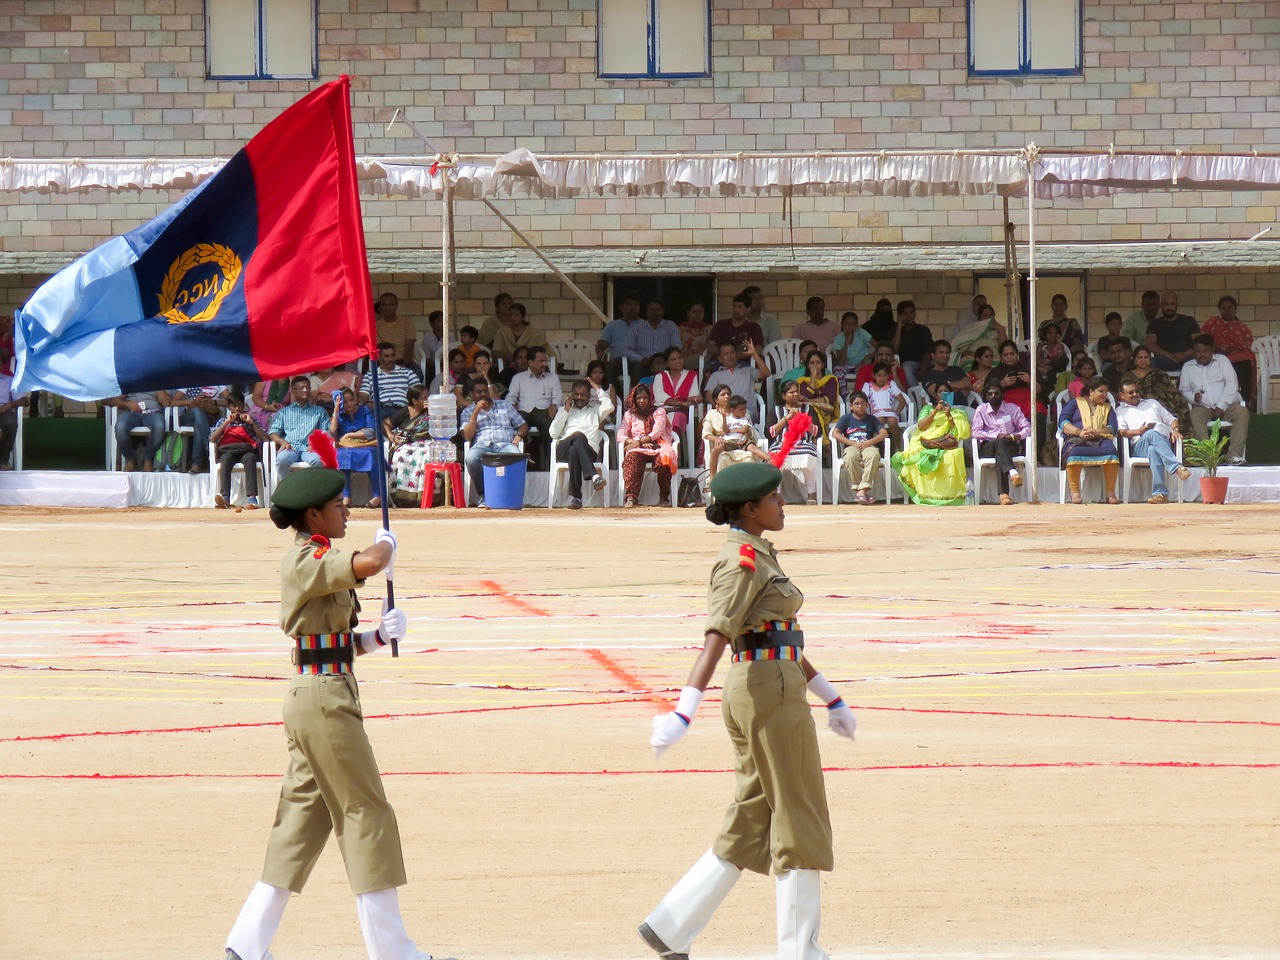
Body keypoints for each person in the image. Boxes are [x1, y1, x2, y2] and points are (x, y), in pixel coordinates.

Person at [641, 460, 857, 960]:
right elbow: (719, 634)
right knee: (799, 815)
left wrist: (831, 696)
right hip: (768, 694)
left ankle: (671, 927)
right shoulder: (741, 558)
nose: (782, 504)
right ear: (749, 508)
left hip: (768, 683)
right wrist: (682, 711)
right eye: (774, 498)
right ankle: (801, 952)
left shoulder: (757, 554)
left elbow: (775, 638)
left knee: (753, 814)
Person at [222, 467, 425, 960]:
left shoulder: (314, 555)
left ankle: (246, 946)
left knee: (302, 821)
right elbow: (370, 562)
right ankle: (392, 952)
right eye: (339, 506)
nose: (347, 511)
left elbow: (330, 643)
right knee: (366, 813)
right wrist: (386, 548)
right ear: (313, 514)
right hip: (324, 700)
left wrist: (378, 636)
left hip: (320, 688)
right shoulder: (307, 557)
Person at [1116, 376, 1191, 504]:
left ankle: (1160, 494)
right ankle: (1177, 467)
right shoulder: (1121, 411)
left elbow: (1171, 419)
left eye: (1136, 391)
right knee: (1151, 434)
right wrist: (1140, 431)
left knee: (1153, 450)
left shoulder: (1152, 403)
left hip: (1162, 441)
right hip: (1140, 445)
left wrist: (1175, 430)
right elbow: (1121, 432)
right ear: (1122, 395)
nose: (1135, 394)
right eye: (1130, 392)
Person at [1180, 333, 1250, 464]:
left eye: (1205, 350)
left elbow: (1232, 384)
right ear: (1193, 352)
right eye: (1198, 351)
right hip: (1203, 406)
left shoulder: (1222, 360)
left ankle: (1234, 455)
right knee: (1195, 416)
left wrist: (1221, 406)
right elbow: (1184, 389)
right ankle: (1208, 456)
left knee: (1242, 412)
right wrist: (1194, 398)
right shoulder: (1188, 367)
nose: (1202, 354)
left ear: (1212, 349)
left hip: (1227, 405)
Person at [459, 377, 528, 508]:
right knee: (472, 458)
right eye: (478, 392)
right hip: (483, 445)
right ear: (472, 394)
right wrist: (476, 412)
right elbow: (467, 436)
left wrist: (518, 436)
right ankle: (485, 495)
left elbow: (523, 425)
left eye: (485, 390)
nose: (483, 394)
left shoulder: (504, 405)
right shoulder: (468, 411)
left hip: (506, 444)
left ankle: (511, 496)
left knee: (516, 456)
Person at [891, 395, 971, 506]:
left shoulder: (957, 413)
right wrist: (935, 412)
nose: (943, 395)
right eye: (940, 392)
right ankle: (925, 495)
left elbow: (955, 432)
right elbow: (921, 427)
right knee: (919, 456)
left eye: (946, 393)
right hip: (924, 442)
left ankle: (946, 496)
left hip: (944, 443)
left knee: (951, 456)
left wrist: (948, 415)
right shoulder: (927, 409)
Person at [549, 378, 614, 508]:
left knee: (575, 450)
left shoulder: (595, 411)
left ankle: (576, 498)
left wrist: (596, 387)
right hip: (564, 450)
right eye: (576, 394)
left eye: (583, 394)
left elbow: (609, 406)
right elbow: (553, 433)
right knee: (578, 437)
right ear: (572, 395)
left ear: (589, 396)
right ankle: (594, 476)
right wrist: (565, 411)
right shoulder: (564, 410)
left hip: (587, 452)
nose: (579, 397)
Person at [1059, 376, 1121, 505]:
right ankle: (1075, 492)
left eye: (1106, 392)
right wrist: (1079, 432)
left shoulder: (1108, 407)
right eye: (1101, 391)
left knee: (1111, 450)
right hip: (1077, 439)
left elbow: (1112, 427)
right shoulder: (1074, 403)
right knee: (1074, 452)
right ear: (1091, 391)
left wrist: (1097, 431)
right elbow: (1063, 422)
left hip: (1100, 438)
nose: (1104, 395)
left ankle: (1110, 493)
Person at [970, 383, 1031, 505]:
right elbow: (976, 432)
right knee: (1000, 442)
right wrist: (995, 436)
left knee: (1001, 449)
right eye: (990, 393)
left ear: (1002, 395)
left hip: (1010, 444)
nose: (993, 396)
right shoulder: (981, 410)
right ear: (985, 396)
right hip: (988, 446)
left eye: (996, 393)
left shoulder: (1012, 409)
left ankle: (1004, 495)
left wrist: (1014, 436)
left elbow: (1027, 428)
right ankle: (1012, 474)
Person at [619, 383, 676, 507]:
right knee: (631, 460)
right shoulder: (629, 414)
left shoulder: (658, 411)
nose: (642, 401)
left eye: (645, 397)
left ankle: (664, 498)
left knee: (664, 461)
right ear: (633, 399)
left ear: (649, 398)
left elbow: (658, 431)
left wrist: (639, 442)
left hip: (658, 444)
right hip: (638, 448)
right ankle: (631, 498)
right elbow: (621, 433)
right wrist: (630, 442)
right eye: (638, 398)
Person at [507, 345, 562, 470]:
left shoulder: (553, 378)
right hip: (523, 412)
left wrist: (554, 405)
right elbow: (510, 399)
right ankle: (520, 466)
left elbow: (558, 397)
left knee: (550, 426)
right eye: (541, 361)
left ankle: (553, 465)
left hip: (544, 412)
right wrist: (514, 409)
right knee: (518, 425)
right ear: (530, 363)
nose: (544, 364)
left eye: (545, 361)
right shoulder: (518, 378)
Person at [211, 390, 268, 509]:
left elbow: (265, 438)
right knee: (225, 459)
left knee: (250, 458)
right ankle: (225, 497)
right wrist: (227, 422)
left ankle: (252, 498)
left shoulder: (250, 420)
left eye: (239, 405)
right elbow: (212, 439)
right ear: (229, 407)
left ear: (244, 405)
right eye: (233, 406)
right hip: (228, 451)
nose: (237, 409)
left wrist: (252, 423)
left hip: (247, 451)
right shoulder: (223, 421)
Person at [768, 380, 821, 504]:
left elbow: (817, 432)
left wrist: (802, 418)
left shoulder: (808, 409)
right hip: (781, 443)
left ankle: (812, 495)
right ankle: (777, 494)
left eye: (797, 391)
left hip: (803, 443)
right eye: (792, 392)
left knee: (808, 454)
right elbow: (770, 433)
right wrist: (785, 419)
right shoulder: (776, 410)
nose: (796, 394)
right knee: (776, 456)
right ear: (783, 396)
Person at [832, 390, 888, 505]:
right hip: (852, 446)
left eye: (862, 403)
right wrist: (852, 443)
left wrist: (869, 442)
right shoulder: (846, 418)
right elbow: (835, 433)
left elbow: (884, 433)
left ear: (867, 405)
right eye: (856, 403)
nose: (860, 406)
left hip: (868, 446)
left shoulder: (871, 419)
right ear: (851, 406)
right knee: (851, 456)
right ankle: (862, 490)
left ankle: (861, 490)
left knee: (873, 455)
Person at [160, 384, 229, 475]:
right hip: (190, 414)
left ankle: (197, 463)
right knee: (197, 411)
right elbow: (174, 402)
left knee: (198, 424)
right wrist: (192, 401)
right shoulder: (189, 380)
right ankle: (210, 448)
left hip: (209, 416)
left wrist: (214, 402)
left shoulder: (216, 380)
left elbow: (231, 401)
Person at [330, 387, 381, 508]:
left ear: (355, 399)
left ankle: (377, 495)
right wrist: (336, 411)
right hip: (348, 447)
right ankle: (346, 495)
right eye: (345, 402)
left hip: (366, 445)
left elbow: (371, 431)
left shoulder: (364, 410)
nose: (349, 404)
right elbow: (332, 433)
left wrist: (349, 434)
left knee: (371, 454)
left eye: (351, 400)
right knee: (341, 455)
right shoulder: (340, 415)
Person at [269, 377, 333, 474]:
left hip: (310, 449)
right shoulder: (284, 412)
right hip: (290, 448)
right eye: (302, 387)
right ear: (293, 390)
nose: (305, 390)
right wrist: (283, 442)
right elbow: (273, 432)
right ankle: (288, 487)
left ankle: (312, 488)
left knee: (318, 460)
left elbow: (326, 431)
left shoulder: (319, 411)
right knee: (281, 460)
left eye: (308, 388)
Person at [1201, 295, 1255, 408]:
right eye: (1224, 308)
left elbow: (1248, 344)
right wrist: (1216, 348)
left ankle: (1245, 402)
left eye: (1230, 307)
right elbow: (1202, 339)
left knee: (1246, 364)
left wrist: (1232, 349)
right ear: (1220, 310)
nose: (1227, 311)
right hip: (1215, 356)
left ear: (1235, 309)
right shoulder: (1212, 323)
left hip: (1237, 357)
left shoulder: (1242, 327)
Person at [386, 387, 436, 505]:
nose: (427, 399)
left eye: (427, 396)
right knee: (400, 457)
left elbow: (438, 427)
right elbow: (386, 423)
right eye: (424, 398)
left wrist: (432, 412)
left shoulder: (432, 410)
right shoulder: (405, 412)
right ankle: (403, 497)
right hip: (406, 443)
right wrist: (391, 437)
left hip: (425, 442)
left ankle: (424, 497)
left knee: (425, 456)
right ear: (414, 401)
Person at [1131, 344, 1191, 429]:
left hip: (1165, 406)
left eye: (1146, 357)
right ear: (1134, 360)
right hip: (1142, 408)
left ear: (1150, 360)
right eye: (1140, 357)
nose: (1143, 360)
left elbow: (1170, 391)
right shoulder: (1128, 376)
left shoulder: (1159, 373)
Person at [702, 386, 755, 481]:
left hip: (741, 442)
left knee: (749, 456)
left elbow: (750, 430)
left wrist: (745, 436)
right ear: (715, 399)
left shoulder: (741, 410)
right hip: (723, 443)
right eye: (723, 394)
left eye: (728, 394)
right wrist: (717, 438)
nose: (726, 396)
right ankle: (712, 480)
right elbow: (706, 433)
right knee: (717, 452)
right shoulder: (712, 414)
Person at [361, 342, 422, 422]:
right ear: (378, 357)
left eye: (392, 355)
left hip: (402, 409)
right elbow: (362, 396)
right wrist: (366, 403)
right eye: (386, 356)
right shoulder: (370, 375)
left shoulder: (407, 372)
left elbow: (419, 392)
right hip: (380, 409)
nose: (390, 359)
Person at [651, 346, 700, 439]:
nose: (678, 361)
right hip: (661, 411)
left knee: (677, 417)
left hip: (681, 411)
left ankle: (672, 446)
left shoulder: (691, 375)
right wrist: (681, 402)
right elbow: (660, 397)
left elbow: (692, 395)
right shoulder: (660, 376)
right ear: (667, 363)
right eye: (673, 359)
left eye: (679, 358)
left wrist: (694, 398)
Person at [795, 350, 840, 447]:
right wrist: (813, 377)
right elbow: (807, 396)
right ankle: (823, 442)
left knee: (812, 407)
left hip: (828, 412)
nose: (815, 365)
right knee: (812, 409)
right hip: (810, 413)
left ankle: (821, 442)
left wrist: (810, 401)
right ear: (807, 365)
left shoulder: (831, 379)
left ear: (823, 365)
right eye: (812, 363)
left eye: (818, 362)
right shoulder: (802, 381)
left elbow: (830, 398)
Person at [702, 340, 769, 404]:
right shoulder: (715, 375)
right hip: (726, 412)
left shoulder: (748, 370)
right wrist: (719, 409)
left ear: (737, 355)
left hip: (746, 411)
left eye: (732, 352)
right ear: (720, 359)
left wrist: (754, 354)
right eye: (726, 354)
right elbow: (708, 396)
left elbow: (767, 373)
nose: (729, 356)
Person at [1147, 292, 1200, 372]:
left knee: (1197, 360)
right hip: (1164, 359)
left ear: (1177, 304)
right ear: (1161, 305)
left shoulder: (1189, 321)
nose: (1169, 307)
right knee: (1154, 361)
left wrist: (1184, 355)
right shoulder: (1154, 323)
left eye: (1172, 304)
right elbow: (1150, 344)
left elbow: (1199, 343)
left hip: (1187, 358)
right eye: (1166, 304)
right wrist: (1169, 355)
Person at [621, 299, 682, 365]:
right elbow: (626, 349)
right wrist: (642, 359)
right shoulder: (637, 327)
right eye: (652, 310)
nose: (654, 313)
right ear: (646, 311)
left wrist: (667, 358)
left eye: (658, 310)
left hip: (665, 362)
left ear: (663, 312)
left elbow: (677, 345)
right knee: (637, 367)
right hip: (643, 363)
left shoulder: (670, 326)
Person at [863, 361, 907, 451]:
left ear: (888, 375)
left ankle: (898, 448)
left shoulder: (891, 385)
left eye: (884, 375)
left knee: (893, 421)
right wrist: (867, 414)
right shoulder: (868, 386)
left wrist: (896, 412)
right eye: (879, 375)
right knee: (879, 421)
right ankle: (876, 449)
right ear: (873, 375)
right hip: (876, 413)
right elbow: (862, 400)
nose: (882, 378)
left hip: (890, 412)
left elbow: (902, 401)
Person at [374, 292, 419, 376]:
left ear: (396, 305)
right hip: (383, 363)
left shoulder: (407, 322)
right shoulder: (375, 326)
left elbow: (409, 348)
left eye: (391, 304)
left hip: (404, 362)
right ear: (380, 307)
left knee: (417, 373)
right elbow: (377, 350)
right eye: (384, 305)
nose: (388, 307)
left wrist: (403, 366)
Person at [919, 339, 974, 407]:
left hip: (963, 408)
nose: (945, 355)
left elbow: (968, 384)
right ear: (933, 355)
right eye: (941, 352)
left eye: (947, 352)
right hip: (943, 409)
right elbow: (936, 392)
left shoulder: (957, 369)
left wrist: (948, 385)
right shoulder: (928, 374)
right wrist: (960, 388)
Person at [951, 301, 1007, 366]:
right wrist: (968, 353)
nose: (988, 318)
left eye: (991, 315)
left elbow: (1004, 348)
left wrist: (1000, 329)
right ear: (979, 318)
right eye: (984, 316)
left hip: (994, 356)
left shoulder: (999, 329)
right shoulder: (972, 329)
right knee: (968, 360)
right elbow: (962, 348)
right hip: (975, 357)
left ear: (994, 316)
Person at [891, 300, 932, 387]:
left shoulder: (923, 329)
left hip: (924, 363)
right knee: (907, 367)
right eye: (905, 313)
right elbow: (893, 350)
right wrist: (899, 328)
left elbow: (928, 352)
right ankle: (916, 397)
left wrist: (922, 369)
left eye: (911, 312)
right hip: (905, 365)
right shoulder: (894, 331)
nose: (909, 316)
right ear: (900, 316)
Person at [831, 310, 872, 390]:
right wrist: (846, 343)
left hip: (862, 365)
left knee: (864, 372)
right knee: (837, 369)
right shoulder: (838, 339)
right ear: (842, 325)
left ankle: (861, 395)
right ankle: (845, 395)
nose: (850, 327)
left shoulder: (861, 332)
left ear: (857, 325)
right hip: (847, 366)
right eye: (847, 324)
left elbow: (879, 347)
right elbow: (841, 363)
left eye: (853, 324)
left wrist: (867, 357)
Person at [0, 353, 28, 468]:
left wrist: (9, 404)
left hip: (3, 411)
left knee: (11, 422)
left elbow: (24, 401)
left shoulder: (9, 380)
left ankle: (3, 460)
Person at [1037, 321, 1070, 397]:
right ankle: (1050, 395)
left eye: (1055, 333)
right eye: (1050, 333)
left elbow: (1060, 358)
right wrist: (1045, 367)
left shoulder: (1060, 345)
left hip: (1056, 366)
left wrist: (1059, 343)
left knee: (1065, 359)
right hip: (1044, 367)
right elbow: (1036, 359)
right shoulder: (1041, 345)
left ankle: (1051, 394)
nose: (1053, 335)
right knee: (1052, 371)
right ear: (1045, 335)